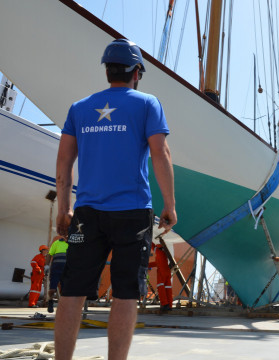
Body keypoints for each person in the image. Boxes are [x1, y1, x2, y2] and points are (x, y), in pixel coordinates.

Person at [55, 38, 177, 360]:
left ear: (107, 70)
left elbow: (64, 161)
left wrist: (65, 208)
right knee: (125, 294)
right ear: (137, 71)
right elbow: (160, 153)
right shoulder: (148, 104)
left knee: (72, 291)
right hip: (132, 214)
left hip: (86, 215)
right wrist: (170, 205)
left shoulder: (79, 108)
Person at [148, 242, 173, 312]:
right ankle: (169, 305)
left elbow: (153, 247)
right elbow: (156, 263)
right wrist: (147, 265)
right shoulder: (164, 255)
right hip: (167, 272)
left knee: (161, 288)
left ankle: (164, 304)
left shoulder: (159, 253)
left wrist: (149, 238)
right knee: (168, 288)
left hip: (161, 272)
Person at [46, 235, 68, 313]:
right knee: (52, 289)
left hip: (67, 271)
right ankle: (50, 301)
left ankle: (63, 306)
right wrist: (46, 266)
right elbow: (49, 254)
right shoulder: (56, 243)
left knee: (65, 290)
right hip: (55, 269)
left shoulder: (72, 244)